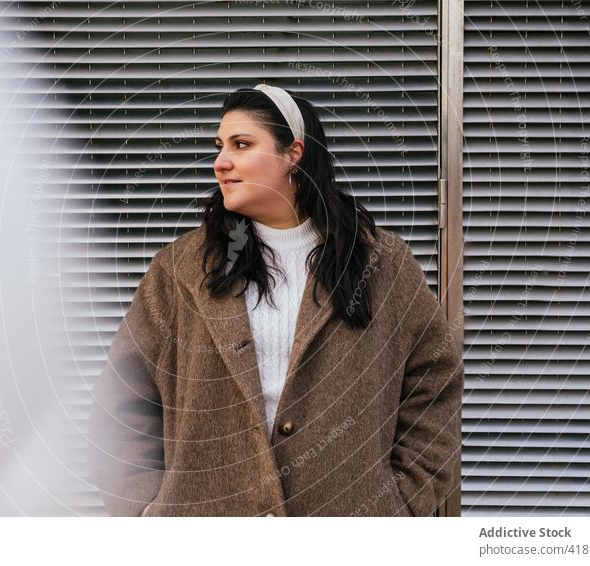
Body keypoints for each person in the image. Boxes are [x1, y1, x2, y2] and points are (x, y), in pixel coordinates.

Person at [87, 83, 464, 517]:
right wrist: (143, 511)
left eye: (242, 144)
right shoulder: (181, 271)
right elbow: (122, 399)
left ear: (293, 153)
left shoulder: (381, 265)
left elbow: (434, 383)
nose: (220, 162)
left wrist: (401, 505)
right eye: (219, 146)